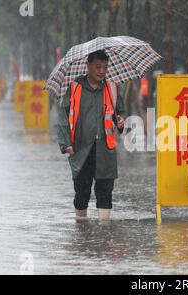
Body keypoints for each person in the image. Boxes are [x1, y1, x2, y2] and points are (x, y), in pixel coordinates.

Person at [57, 50, 126, 220]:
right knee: (81, 195)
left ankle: (104, 236)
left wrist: (121, 122)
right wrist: (66, 144)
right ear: (88, 66)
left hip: (105, 150)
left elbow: (121, 113)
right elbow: (63, 118)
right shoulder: (74, 88)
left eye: (105, 67)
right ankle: (82, 235)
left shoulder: (112, 88)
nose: (102, 71)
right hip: (81, 150)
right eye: (97, 67)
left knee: (105, 195)